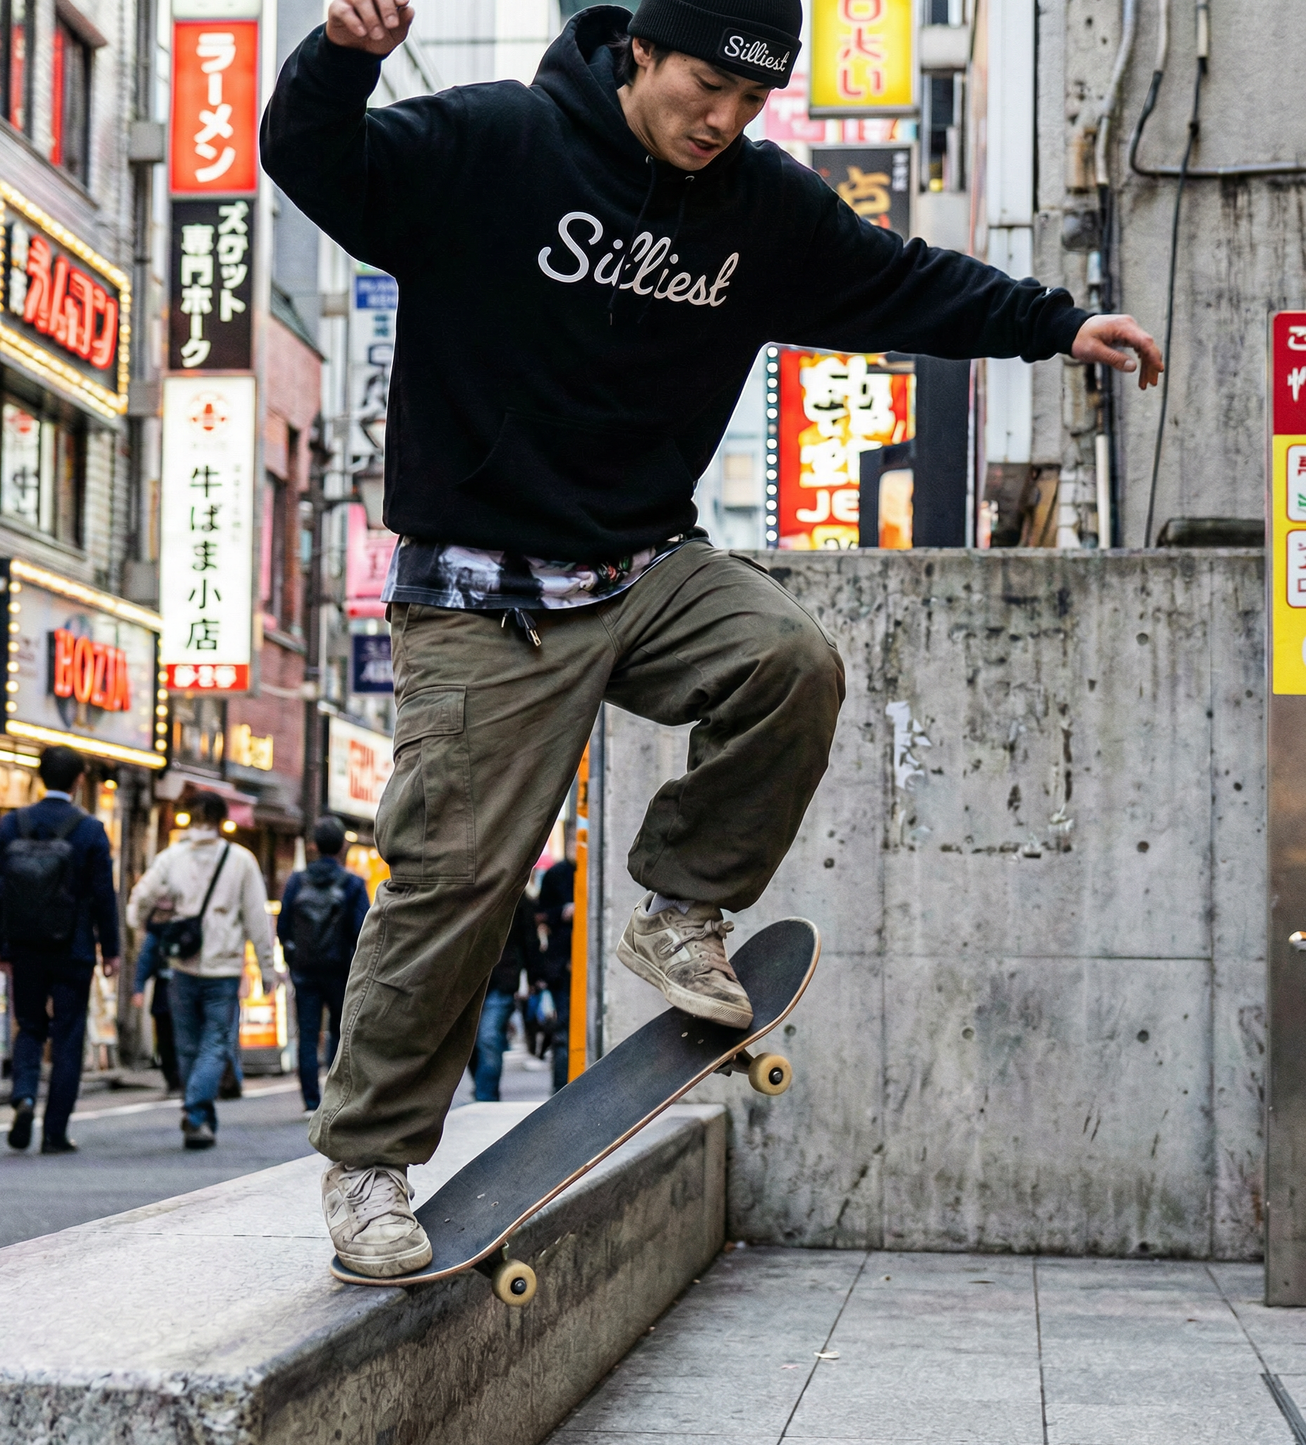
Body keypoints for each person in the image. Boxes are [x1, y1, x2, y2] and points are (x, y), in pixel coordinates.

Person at [261, 0, 1163, 1279]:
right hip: (485, 593)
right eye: (702, 89)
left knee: (786, 659)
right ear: (637, 51)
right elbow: (315, 161)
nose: (722, 122)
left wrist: (1055, 321)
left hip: (644, 565)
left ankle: (681, 906)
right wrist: (341, 55)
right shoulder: (496, 144)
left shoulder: (757, 206)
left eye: (750, 101)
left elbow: (898, 279)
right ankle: (369, 1164)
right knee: (456, 879)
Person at [0, 746, 121, 1154]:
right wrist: (111, 949)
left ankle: (25, 1095)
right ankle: (55, 1131)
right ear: (79, 781)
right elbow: (104, 895)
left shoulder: (13, 824)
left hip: (25, 947)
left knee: (29, 1025)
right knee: (68, 1035)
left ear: (40, 775)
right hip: (74, 948)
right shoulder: (89, 830)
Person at [126, 792, 274, 1149]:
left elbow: (141, 897)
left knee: (188, 1044)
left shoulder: (171, 857)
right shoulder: (240, 860)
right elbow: (257, 918)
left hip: (182, 964)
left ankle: (199, 1116)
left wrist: (139, 922)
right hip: (223, 967)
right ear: (222, 820)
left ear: (189, 819)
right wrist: (267, 970)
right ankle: (196, 1112)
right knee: (216, 1042)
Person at [278, 817, 370, 1114]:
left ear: (313, 845)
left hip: (305, 970)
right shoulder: (353, 884)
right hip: (340, 969)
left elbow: (283, 927)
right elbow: (363, 930)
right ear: (343, 845)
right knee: (340, 1032)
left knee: (307, 1033)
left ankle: (310, 1101)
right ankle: (335, 1096)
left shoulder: (296, 881)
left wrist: (293, 958)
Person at [468, 892, 540, 1103]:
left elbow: (529, 936)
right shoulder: (465, 890)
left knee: (489, 1038)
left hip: (501, 979)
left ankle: (486, 1097)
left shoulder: (515, 894)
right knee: (469, 1044)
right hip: (467, 984)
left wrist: (536, 975)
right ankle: (482, 1088)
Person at [537, 834, 577, 1093]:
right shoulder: (556, 875)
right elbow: (540, 915)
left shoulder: (595, 872)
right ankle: (561, 1088)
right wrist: (563, 912)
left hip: (575, 964)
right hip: (562, 966)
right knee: (563, 1030)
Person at [131, 927, 182, 1094]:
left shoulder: (187, 924)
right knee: (166, 1039)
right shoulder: (157, 932)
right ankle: (174, 1080)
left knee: (173, 1038)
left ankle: (180, 1079)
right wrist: (138, 987)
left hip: (179, 991)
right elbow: (145, 959)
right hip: (166, 992)